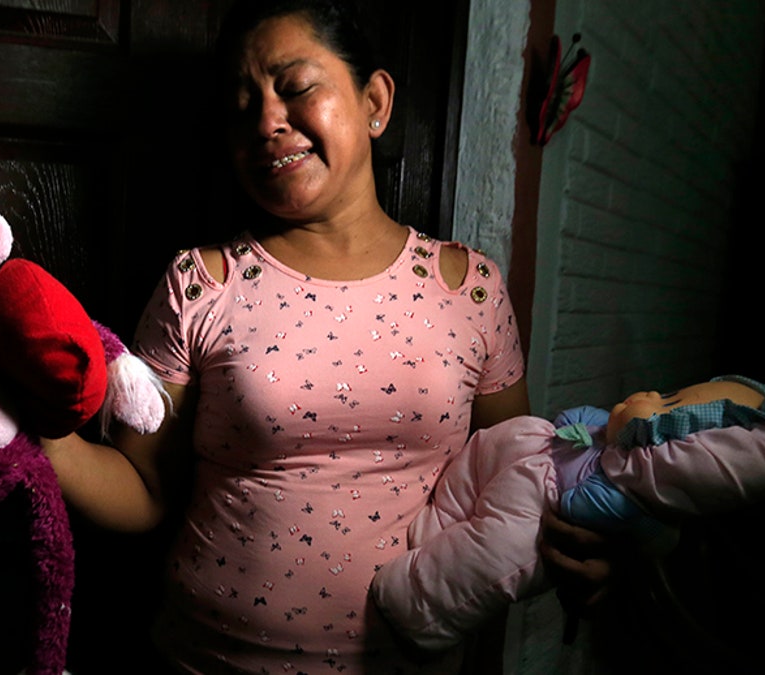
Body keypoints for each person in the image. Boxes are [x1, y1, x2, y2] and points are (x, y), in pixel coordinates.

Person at [42, 1, 605, 671]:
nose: (266, 121)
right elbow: (141, 487)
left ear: (374, 101)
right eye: (242, 105)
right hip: (206, 658)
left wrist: (584, 553)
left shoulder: (470, 290)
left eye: (295, 86)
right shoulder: (201, 283)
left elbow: (515, 480)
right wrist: (28, 431)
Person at [368, 376, 765, 651]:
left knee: (502, 552)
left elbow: (576, 505)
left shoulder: (629, 488)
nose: (650, 393)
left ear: (666, 450)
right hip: (521, 460)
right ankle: (438, 524)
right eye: (669, 393)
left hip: (532, 504)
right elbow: (573, 419)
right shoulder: (607, 433)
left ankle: (416, 603)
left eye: (665, 405)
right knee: (507, 443)